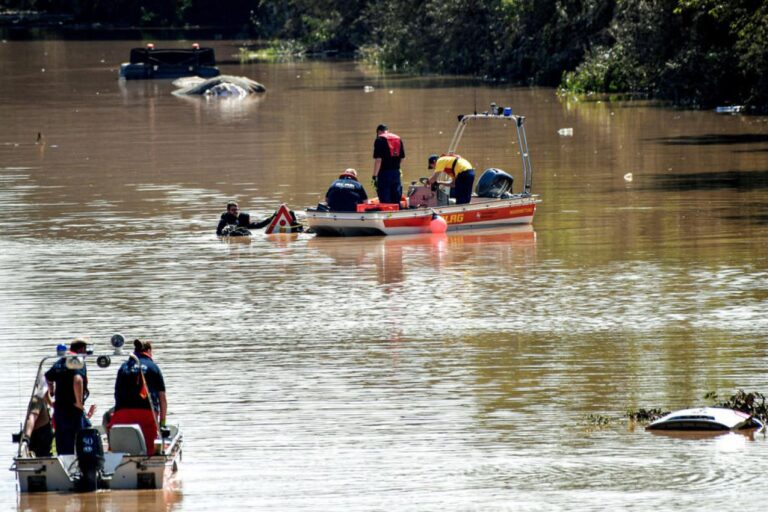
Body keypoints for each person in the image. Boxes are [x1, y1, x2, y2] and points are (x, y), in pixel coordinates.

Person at [109, 339, 167, 456]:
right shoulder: (153, 367)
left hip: (122, 413)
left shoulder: (124, 367)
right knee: (151, 452)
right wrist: (162, 423)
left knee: (119, 448)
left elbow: (116, 393)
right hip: (147, 414)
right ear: (149, 351)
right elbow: (162, 399)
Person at [45, 338, 94, 455]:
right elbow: (77, 380)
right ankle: (83, 469)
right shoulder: (77, 359)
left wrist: (50, 400)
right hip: (73, 411)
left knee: (63, 446)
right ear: (81, 349)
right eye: (86, 351)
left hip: (59, 411)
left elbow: (46, 378)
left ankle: (64, 469)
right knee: (82, 442)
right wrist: (79, 403)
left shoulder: (61, 360)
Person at [19, 374, 54, 457]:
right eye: (49, 384)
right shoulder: (37, 399)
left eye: (52, 383)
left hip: (46, 446)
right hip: (38, 446)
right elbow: (32, 417)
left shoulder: (47, 402)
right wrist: (26, 438)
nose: (52, 386)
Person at [372, 124, 405, 205]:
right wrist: (396, 167)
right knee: (396, 198)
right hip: (396, 173)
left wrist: (374, 176)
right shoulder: (398, 138)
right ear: (388, 131)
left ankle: (387, 216)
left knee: (385, 200)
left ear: (378, 132)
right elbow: (402, 158)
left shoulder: (379, 140)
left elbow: (378, 160)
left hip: (384, 174)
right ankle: (397, 216)